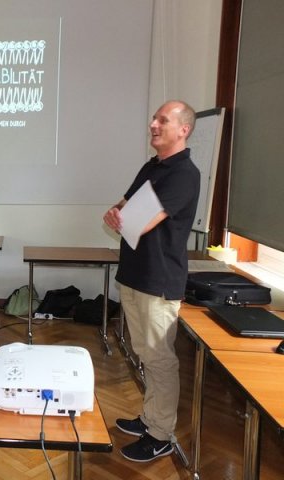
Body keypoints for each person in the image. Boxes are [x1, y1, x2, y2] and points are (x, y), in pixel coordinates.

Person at [103, 100, 200, 462]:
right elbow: (124, 206)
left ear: (183, 130)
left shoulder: (184, 173)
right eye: (154, 119)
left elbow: (143, 221)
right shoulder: (152, 166)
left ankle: (161, 434)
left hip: (159, 280)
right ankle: (149, 418)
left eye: (163, 120)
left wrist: (123, 217)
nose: (153, 124)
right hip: (135, 274)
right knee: (144, 352)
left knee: (160, 359)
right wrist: (114, 212)